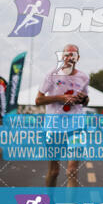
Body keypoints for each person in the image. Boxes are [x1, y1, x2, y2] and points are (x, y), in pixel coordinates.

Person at [35, 44, 89, 187]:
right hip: (54, 127)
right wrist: (60, 98)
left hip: (76, 127)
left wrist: (83, 98)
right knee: (54, 171)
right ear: (62, 57)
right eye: (66, 55)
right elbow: (38, 100)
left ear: (78, 58)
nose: (69, 57)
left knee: (71, 170)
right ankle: (50, 202)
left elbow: (86, 100)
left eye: (73, 55)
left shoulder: (83, 77)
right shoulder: (51, 75)